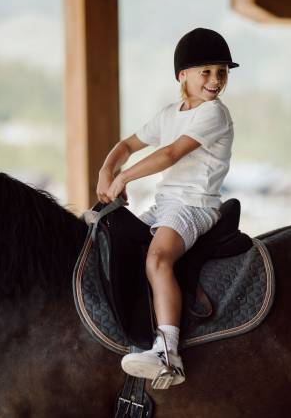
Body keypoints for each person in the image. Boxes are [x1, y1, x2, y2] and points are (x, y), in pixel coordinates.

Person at [96, 27, 239, 386]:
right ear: (183, 76)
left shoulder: (214, 114)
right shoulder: (169, 114)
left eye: (221, 72)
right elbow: (127, 144)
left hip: (195, 205)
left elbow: (170, 153)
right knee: (107, 238)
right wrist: (105, 170)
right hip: (165, 205)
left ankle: (167, 353)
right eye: (206, 71)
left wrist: (124, 179)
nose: (215, 80)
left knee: (158, 259)